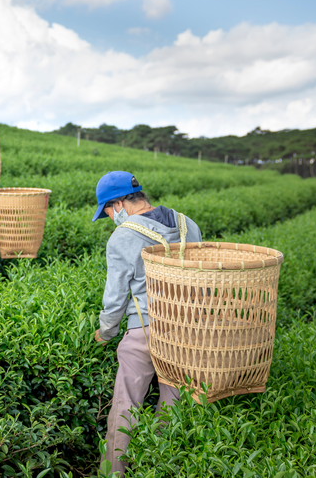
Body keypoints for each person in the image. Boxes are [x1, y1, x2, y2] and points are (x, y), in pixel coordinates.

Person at [92, 171, 202, 476]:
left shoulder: (122, 237)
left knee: (126, 405)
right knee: (173, 406)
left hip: (146, 330)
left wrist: (106, 332)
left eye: (108, 211)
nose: (111, 217)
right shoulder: (188, 224)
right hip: (188, 329)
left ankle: (114, 471)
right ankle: (156, 468)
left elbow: (114, 299)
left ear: (119, 204)